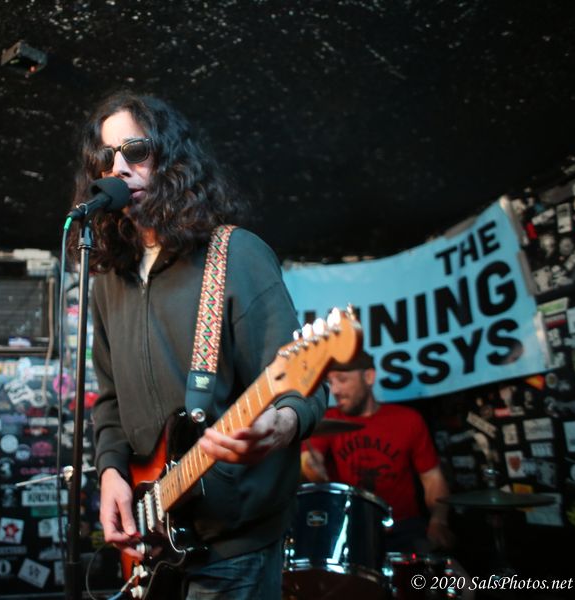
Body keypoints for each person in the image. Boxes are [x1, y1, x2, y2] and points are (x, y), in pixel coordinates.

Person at [71, 91, 326, 599]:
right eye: (107, 156)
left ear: (172, 158)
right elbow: (110, 400)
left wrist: (282, 423)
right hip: (155, 532)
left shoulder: (235, 254)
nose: (119, 168)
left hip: (236, 544)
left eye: (136, 151)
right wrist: (112, 473)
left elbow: (305, 381)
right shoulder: (109, 281)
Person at [301, 351, 454, 553]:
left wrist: (438, 521)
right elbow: (309, 461)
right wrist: (312, 469)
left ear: (369, 377)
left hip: (404, 528)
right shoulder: (328, 421)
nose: (335, 390)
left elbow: (432, 478)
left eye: (342, 380)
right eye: (330, 382)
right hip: (351, 527)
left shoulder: (408, 420)